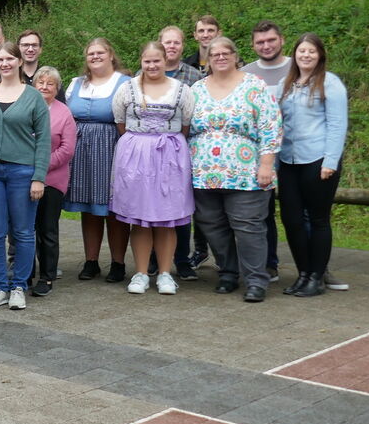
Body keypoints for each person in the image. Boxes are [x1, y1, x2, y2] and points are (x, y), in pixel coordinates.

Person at [189, 36, 282, 302]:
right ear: (206, 59)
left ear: (235, 55)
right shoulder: (196, 89)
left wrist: (266, 164)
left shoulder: (254, 86)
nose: (219, 57)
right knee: (212, 225)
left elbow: (270, 127)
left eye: (225, 52)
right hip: (204, 174)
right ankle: (228, 273)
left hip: (246, 173)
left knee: (248, 226)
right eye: (213, 53)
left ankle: (256, 280)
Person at [0, 42, 50, 309]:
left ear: (18, 62)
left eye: (9, 59)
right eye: (0, 59)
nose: (4, 63)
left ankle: (18, 286)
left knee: (23, 232)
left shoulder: (33, 96)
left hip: (22, 171)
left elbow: (44, 141)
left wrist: (39, 176)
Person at [110, 42, 196, 295]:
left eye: (157, 60)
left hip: (170, 154)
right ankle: (140, 272)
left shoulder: (181, 90)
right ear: (141, 61)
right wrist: (142, 143)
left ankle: (166, 274)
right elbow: (121, 122)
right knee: (140, 218)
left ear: (165, 60)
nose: (152, 65)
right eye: (147, 61)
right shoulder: (127, 89)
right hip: (136, 156)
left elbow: (186, 126)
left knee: (166, 219)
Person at [278, 33, 348, 298]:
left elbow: (337, 124)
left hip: (318, 160)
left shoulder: (330, 84)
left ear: (320, 55)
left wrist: (330, 161)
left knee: (318, 220)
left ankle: (317, 276)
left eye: (311, 52)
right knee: (292, 220)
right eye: (301, 51)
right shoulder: (288, 83)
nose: (305, 56)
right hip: (288, 160)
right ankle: (303, 274)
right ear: (294, 54)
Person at [64, 38, 131, 282]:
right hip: (81, 150)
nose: (95, 56)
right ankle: (91, 261)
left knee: (114, 208)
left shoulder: (125, 83)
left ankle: (118, 263)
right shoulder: (76, 83)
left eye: (100, 52)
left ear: (111, 55)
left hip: (112, 147)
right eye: (90, 53)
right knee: (88, 208)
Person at [246, 20, 293, 278]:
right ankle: (268, 263)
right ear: (253, 45)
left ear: (281, 40)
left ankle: (315, 269)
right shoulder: (247, 74)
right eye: (260, 42)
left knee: (299, 213)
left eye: (271, 40)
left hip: (297, 152)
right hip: (261, 154)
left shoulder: (298, 67)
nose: (266, 46)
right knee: (262, 212)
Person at [160, 24, 205, 279]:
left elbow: (195, 116)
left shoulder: (194, 77)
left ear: (182, 46)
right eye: (167, 42)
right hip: (153, 153)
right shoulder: (145, 73)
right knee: (153, 205)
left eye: (176, 42)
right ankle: (155, 259)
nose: (172, 47)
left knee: (180, 208)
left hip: (182, 151)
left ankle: (182, 260)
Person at [31, 67, 76, 297]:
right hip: (24, 178)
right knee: (24, 229)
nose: (44, 87)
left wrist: (39, 166)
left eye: (50, 84)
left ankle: (46, 277)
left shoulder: (64, 113)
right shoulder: (25, 107)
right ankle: (25, 274)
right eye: (40, 82)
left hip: (52, 180)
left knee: (47, 230)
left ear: (57, 88)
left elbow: (67, 149)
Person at [17, 30, 61, 100]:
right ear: (18, 48)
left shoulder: (51, 76)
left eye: (34, 45)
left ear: (40, 49)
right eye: (25, 45)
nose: (30, 49)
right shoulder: (11, 77)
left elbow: (60, 107)